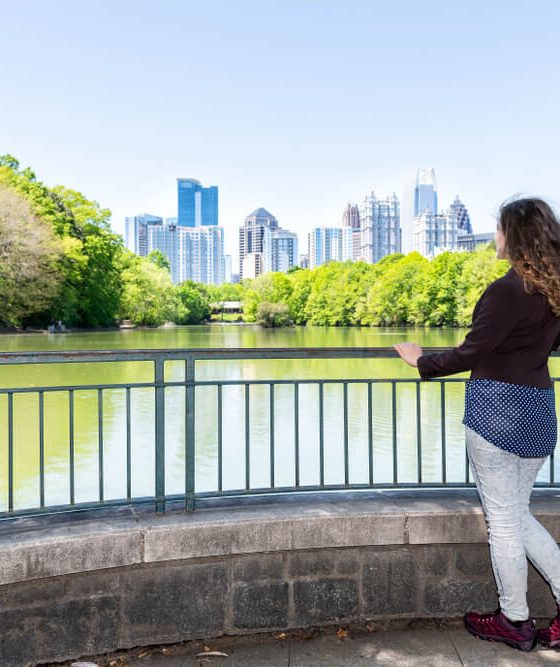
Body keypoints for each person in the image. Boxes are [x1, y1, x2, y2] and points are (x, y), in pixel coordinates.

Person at [394, 197, 560, 652]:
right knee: (517, 516)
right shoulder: (553, 290)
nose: (496, 237)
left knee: (504, 524)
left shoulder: (508, 291)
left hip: (498, 417)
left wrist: (421, 360)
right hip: (539, 413)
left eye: (501, 229)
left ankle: (514, 620)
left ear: (516, 236)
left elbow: (472, 352)